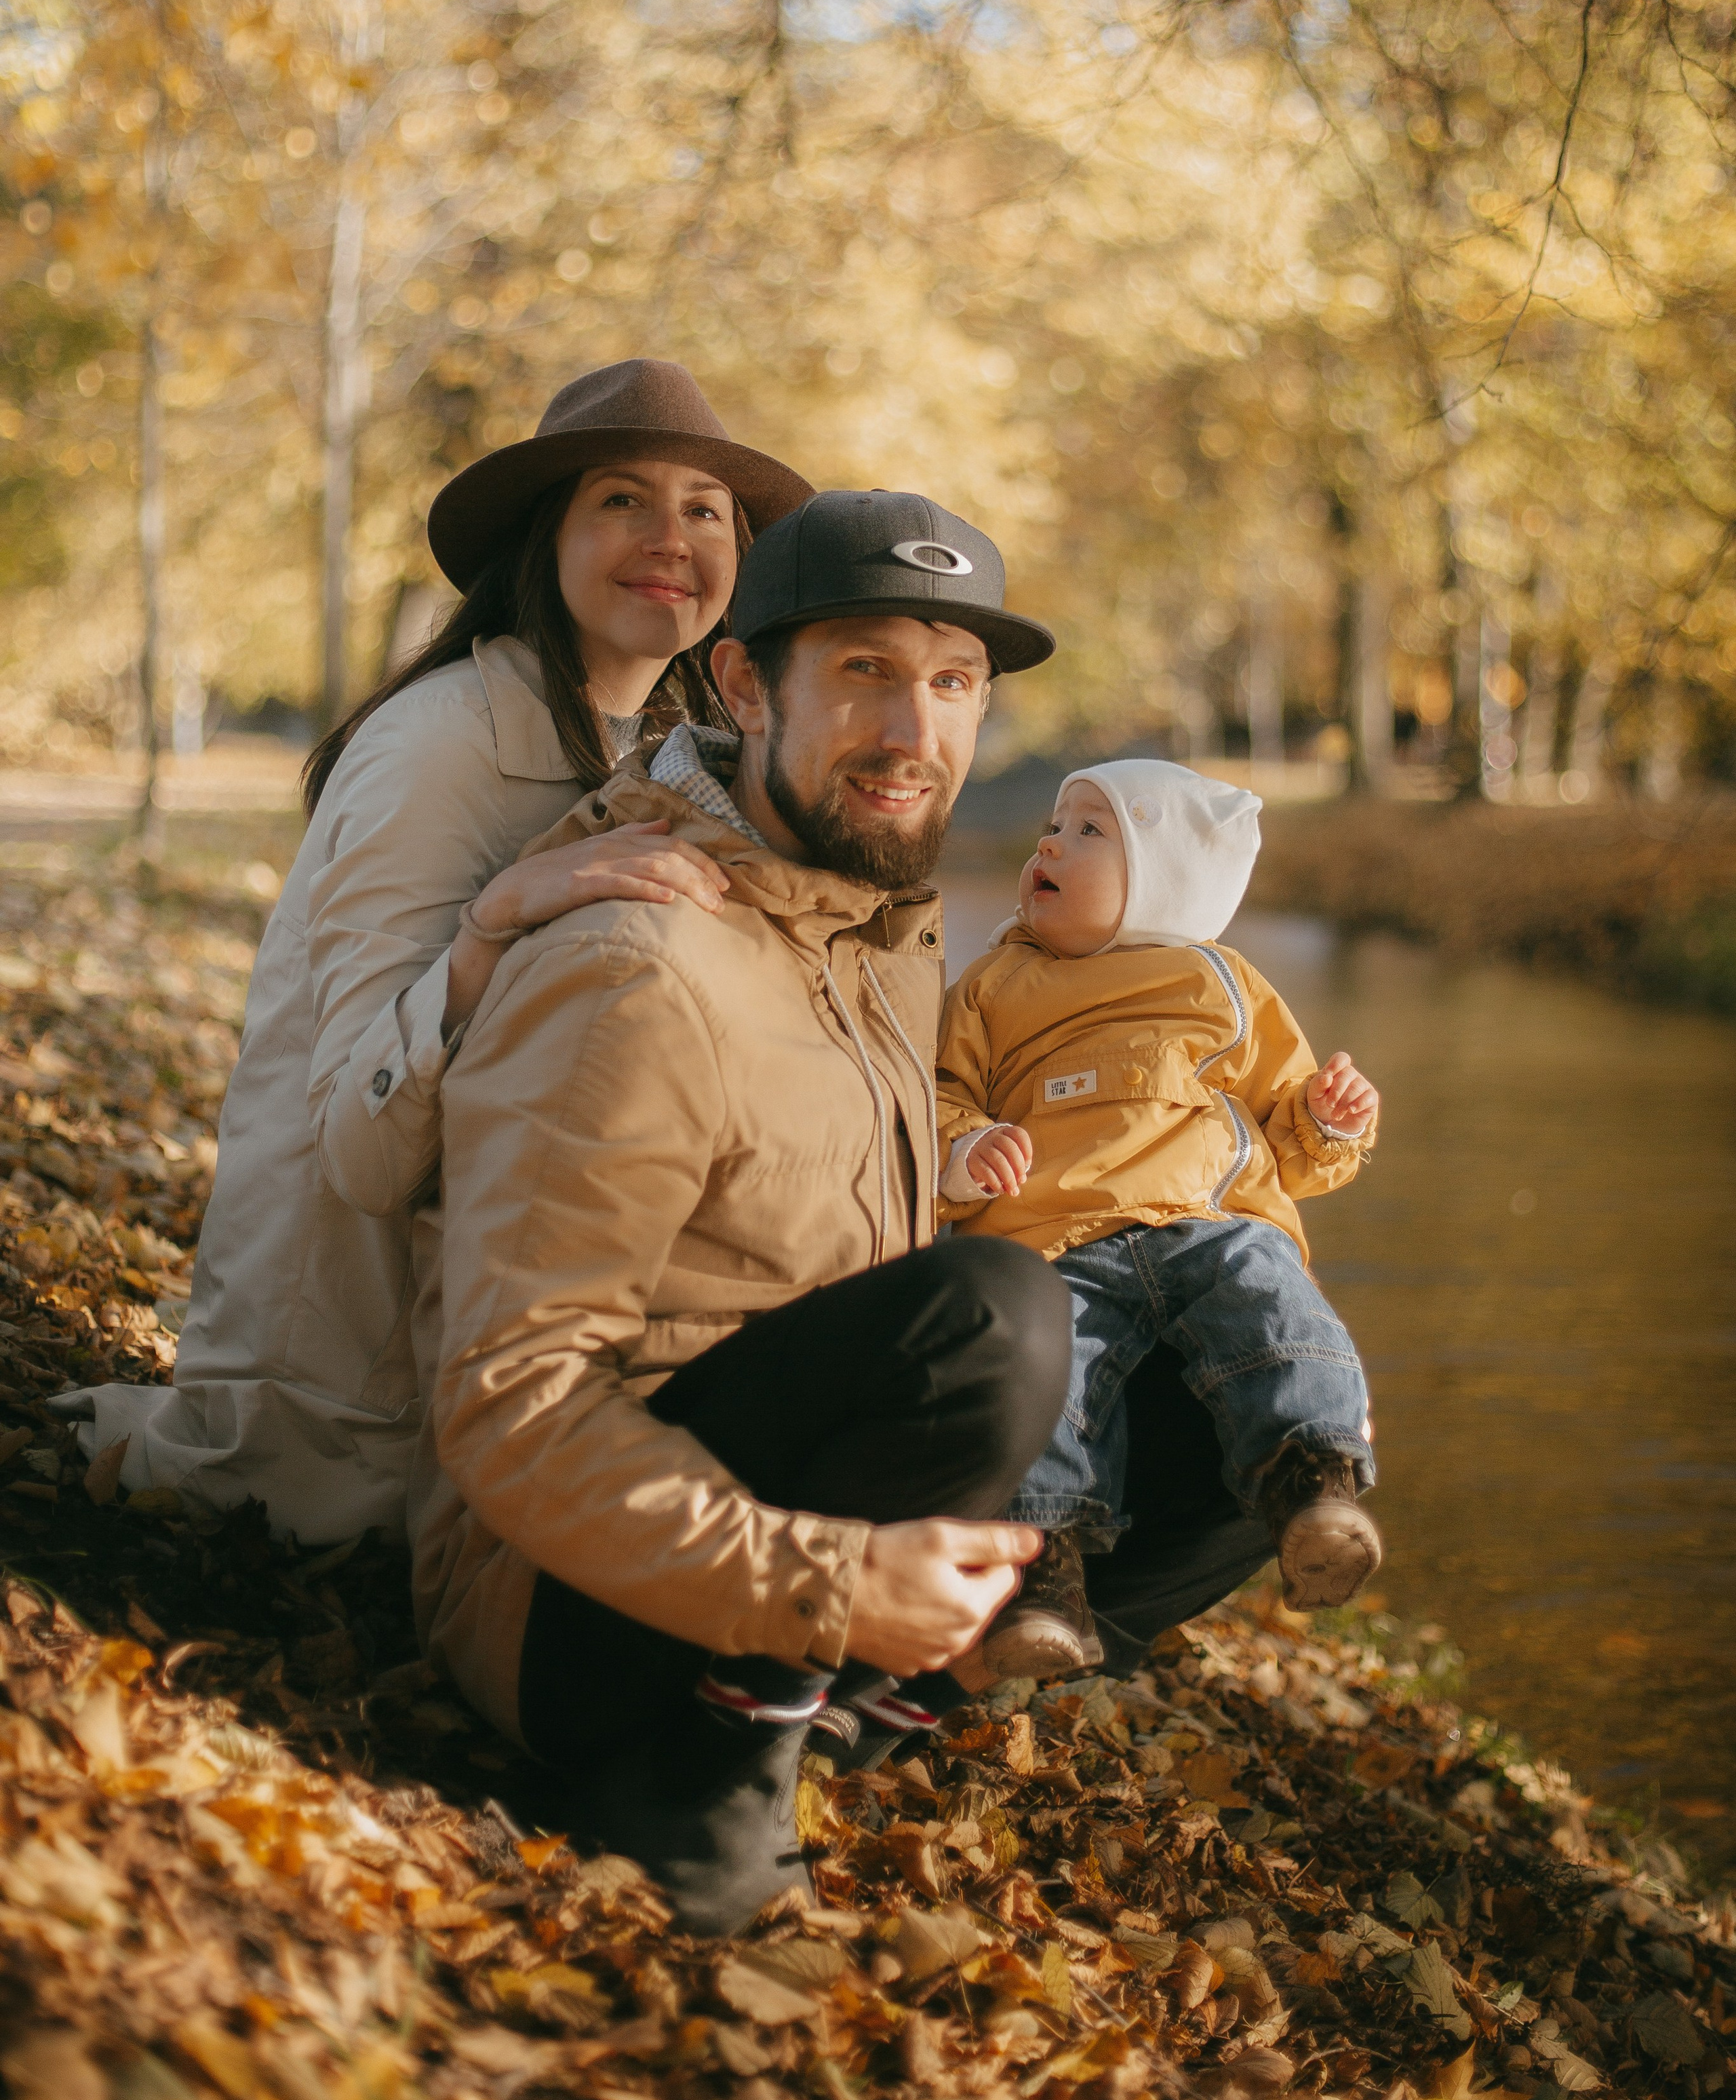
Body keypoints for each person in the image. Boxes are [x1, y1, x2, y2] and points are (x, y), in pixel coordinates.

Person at [413, 488, 1073, 1932]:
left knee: (1207, 1364)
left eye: (951, 683)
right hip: (558, 1611)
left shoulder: (873, 925)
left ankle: (837, 1718)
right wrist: (831, 1584)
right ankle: (699, 1782)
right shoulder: (640, 966)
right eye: (862, 672)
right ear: (737, 678)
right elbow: (507, 1406)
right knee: (995, 1318)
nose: (915, 733)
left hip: (734, 1557)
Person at [57, 360, 812, 1537]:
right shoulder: (437, 747)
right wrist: (495, 921)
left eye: (705, 510)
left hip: (527, 1329)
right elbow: (357, 1149)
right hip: (354, 1404)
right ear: (543, 537)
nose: (671, 536)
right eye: (622, 499)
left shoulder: (678, 754)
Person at [934, 757, 1383, 1683]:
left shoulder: (1223, 984)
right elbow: (941, 1093)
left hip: (1208, 1220)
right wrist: (965, 1148)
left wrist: (1328, 1119)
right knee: (1050, 1379)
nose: (1049, 842)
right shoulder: (992, 985)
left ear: (1164, 879)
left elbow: (1290, 1141)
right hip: (1053, 1237)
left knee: (1280, 1311)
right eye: (1053, 826)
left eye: (1091, 831)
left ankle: (1312, 1481)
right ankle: (1043, 1581)